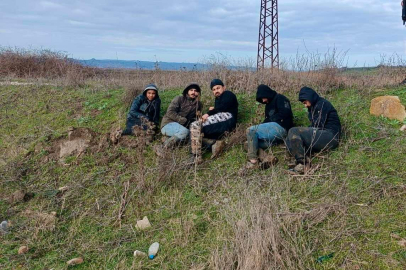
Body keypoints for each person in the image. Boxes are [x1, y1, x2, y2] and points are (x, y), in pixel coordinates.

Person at [286, 86, 341, 174]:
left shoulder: (322, 104)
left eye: (305, 102)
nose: (305, 105)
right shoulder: (313, 107)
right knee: (289, 139)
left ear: (310, 97)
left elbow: (318, 124)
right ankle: (305, 160)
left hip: (330, 136)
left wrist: (302, 131)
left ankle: (302, 164)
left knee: (293, 131)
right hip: (322, 135)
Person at [189, 79, 238, 164]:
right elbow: (218, 110)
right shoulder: (217, 99)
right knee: (195, 129)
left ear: (224, 87)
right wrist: (213, 110)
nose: (216, 91)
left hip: (228, 118)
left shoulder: (228, 94)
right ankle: (213, 144)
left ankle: (197, 156)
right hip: (223, 122)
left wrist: (209, 113)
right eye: (214, 90)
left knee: (196, 126)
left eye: (218, 88)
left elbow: (223, 107)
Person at [246, 84, 293, 168]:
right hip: (275, 136)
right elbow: (267, 120)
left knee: (251, 130)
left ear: (268, 93)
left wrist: (268, 121)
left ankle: (253, 161)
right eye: (261, 99)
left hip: (282, 127)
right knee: (249, 143)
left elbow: (285, 113)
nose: (263, 101)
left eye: (264, 98)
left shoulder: (280, 98)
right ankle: (268, 158)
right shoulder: (268, 105)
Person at [154, 83, 202, 156]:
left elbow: (195, 117)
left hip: (181, 127)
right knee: (185, 132)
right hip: (168, 124)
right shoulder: (179, 99)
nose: (193, 92)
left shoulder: (199, 104)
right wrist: (183, 120)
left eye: (195, 91)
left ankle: (167, 139)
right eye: (191, 90)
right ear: (187, 91)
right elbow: (170, 112)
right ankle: (162, 147)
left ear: (198, 93)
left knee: (193, 135)